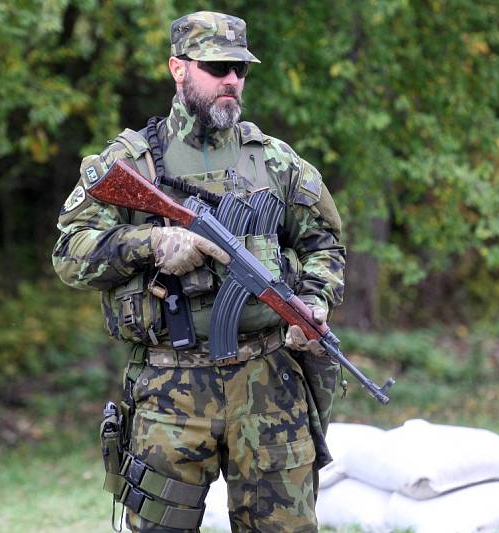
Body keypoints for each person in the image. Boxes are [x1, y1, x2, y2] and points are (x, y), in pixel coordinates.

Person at [53, 11, 345, 532]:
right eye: (216, 67)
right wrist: (153, 242)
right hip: (170, 388)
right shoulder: (135, 163)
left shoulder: (275, 161)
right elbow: (70, 253)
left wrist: (316, 300)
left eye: (240, 69)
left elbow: (325, 243)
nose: (231, 79)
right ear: (178, 69)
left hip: (269, 382)